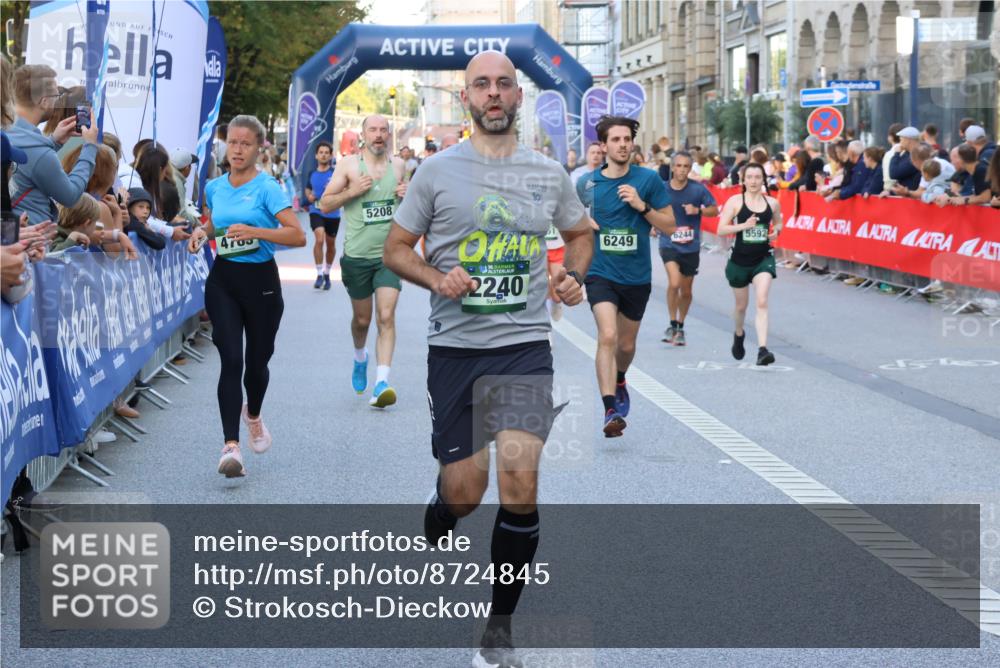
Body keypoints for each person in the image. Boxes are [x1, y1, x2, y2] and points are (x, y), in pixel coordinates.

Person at [382, 50, 592, 668]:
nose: (493, 93)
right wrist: (435, 278)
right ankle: (444, 503)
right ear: (465, 98)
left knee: (521, 480)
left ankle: (498, 630)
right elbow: (397, 249)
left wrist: (573, 277)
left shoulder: (549, 173)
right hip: (455, 350)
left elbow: (579, 235)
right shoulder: (437, 173)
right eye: (482, 85)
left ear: (518, 97)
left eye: (504, 84)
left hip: (524, 346)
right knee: (467, 492)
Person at [186, 114, 306, 478]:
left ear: (258, 148)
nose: (237, 150)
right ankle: (231, 446)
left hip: (261, 283)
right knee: (231, 359)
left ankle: (253, 413)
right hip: (224, 280)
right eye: (232, 143)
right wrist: (199, 234)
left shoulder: (268, 187)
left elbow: (297, 235)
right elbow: (213, 224)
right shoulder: (214, 187)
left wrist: (256, 230)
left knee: (257, 364)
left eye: (245, 144)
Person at [576, 115, 675, 437]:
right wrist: (581, 224)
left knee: (627, 344)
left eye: (626, 139)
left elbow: (670, 226)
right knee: (607, 335)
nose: (622, 145)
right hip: (601, 272)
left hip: (636, 276)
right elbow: (567, 221)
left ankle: (620, 378)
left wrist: (641, 206)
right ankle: (609, 409)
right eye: (615, 140)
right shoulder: (587, 184)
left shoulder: (648, 181)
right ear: (603, 146)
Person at [318, 115, 407, 407]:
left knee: (385, 316)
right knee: (362, 320)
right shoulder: (348, 166)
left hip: (389, 257)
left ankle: (382, 383)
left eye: (384, 130)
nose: (379, 135)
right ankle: (360, 357)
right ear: (363, 135)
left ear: (389, 135)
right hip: (356, 257)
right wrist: (352, 191)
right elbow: (324, 203)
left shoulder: (399, 166)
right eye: (373, 129)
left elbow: (409, 210)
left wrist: (406, 197)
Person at [8, 64, 100, 225]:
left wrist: (53, 141)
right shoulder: (39, 153)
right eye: (56, 97)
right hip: (30, 243)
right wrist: (90, 146)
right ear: (44, 102)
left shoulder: (6, 131)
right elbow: (70, 196)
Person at [715, 163, 783, 366]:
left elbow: (779, 222)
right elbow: (721, 229)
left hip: (763, 258)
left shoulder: (772, 203)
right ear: (743, 180)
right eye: (750, 177)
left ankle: (762, 350)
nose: (753, 181)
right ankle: (738, 333)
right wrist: (744, 226)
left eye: (757, 177)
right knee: (741, 307)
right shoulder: (735, 201)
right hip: (739, 261)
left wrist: (776, 232)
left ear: (763, 180)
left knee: (762, 301)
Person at [659, 151, 718, 346]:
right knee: (674, 282)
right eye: (679, 166)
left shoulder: (697, 190)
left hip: (690, 246)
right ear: (673, 167)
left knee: (686, 291)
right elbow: (651, 209)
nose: (682, 170)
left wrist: (698, 210)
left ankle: (680, 326)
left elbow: (714, 210)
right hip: (669, 243)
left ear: (690, 168)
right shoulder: (663, 189)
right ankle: (671, 322)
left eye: (686, 166)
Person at [304, 141, 340, 290]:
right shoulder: (312, 173)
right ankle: (319, 273)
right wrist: (310, 196)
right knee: (319, 239)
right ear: (316, 155)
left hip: (332, 212)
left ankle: (327, 272)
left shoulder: (335, 173)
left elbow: (344, 189)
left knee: (330, 244)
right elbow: (307, 189)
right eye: (321, 152)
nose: (324, 155)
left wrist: (334, 190)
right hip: (316, 211)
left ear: (330, 156)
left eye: (327, 152)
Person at [888, 126, 921, 192]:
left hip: (911, 197)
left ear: (908, 140)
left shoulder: (917, 156)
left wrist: (896, 154)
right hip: (905, 196)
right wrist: (889, 192)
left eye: (901, 140)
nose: (900, 143)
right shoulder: (906, 153)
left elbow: (894, 173)